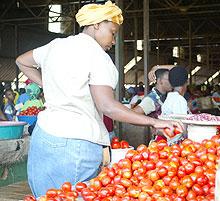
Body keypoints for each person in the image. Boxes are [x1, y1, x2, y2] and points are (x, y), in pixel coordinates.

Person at [15, 1, 182, 198]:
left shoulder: (56, 45)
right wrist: (155, 122)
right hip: (76, 143)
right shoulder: (98, 56)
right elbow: (108, 107)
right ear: (96, 25)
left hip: (44, 137)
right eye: (112, 32)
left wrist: (49, 85)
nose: (113, 40)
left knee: (45, 196)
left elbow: (21, 61)